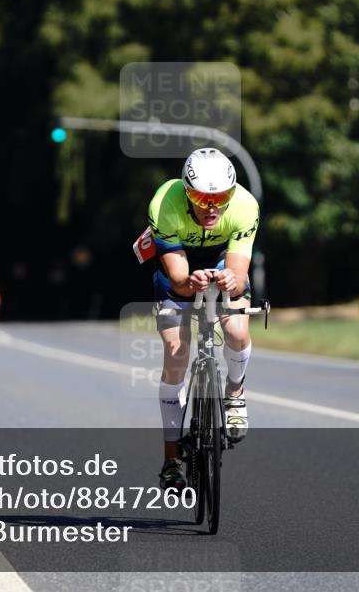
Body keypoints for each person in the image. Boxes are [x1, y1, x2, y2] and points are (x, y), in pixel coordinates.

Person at [146, 148, 260, 490]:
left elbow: (239, 276)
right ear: (185, 190)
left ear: (232, 192)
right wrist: (187, 283)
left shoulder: (244, 206)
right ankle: (171, 459)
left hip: (224, 255)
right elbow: (179, 279)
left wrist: (231, 282)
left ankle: (235, 391)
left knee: (237, 330)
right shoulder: (164, 203)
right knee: (176, 352)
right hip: (179, 258)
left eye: (220, 197)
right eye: (200, 197)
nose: (211, 207)